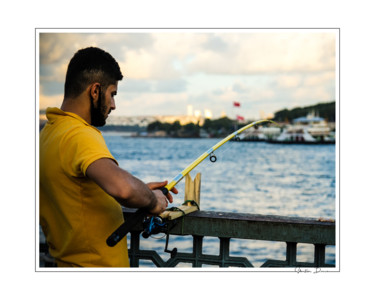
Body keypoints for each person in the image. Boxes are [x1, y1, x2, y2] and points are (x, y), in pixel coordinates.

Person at [40, 47, 177, 267]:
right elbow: (124, 189)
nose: (113, 105)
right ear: (95, 91)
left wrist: (140, 189)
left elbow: (79, 195)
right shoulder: (80, 134)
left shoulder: (48, 133)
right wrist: (152, 200)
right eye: (112, 94)